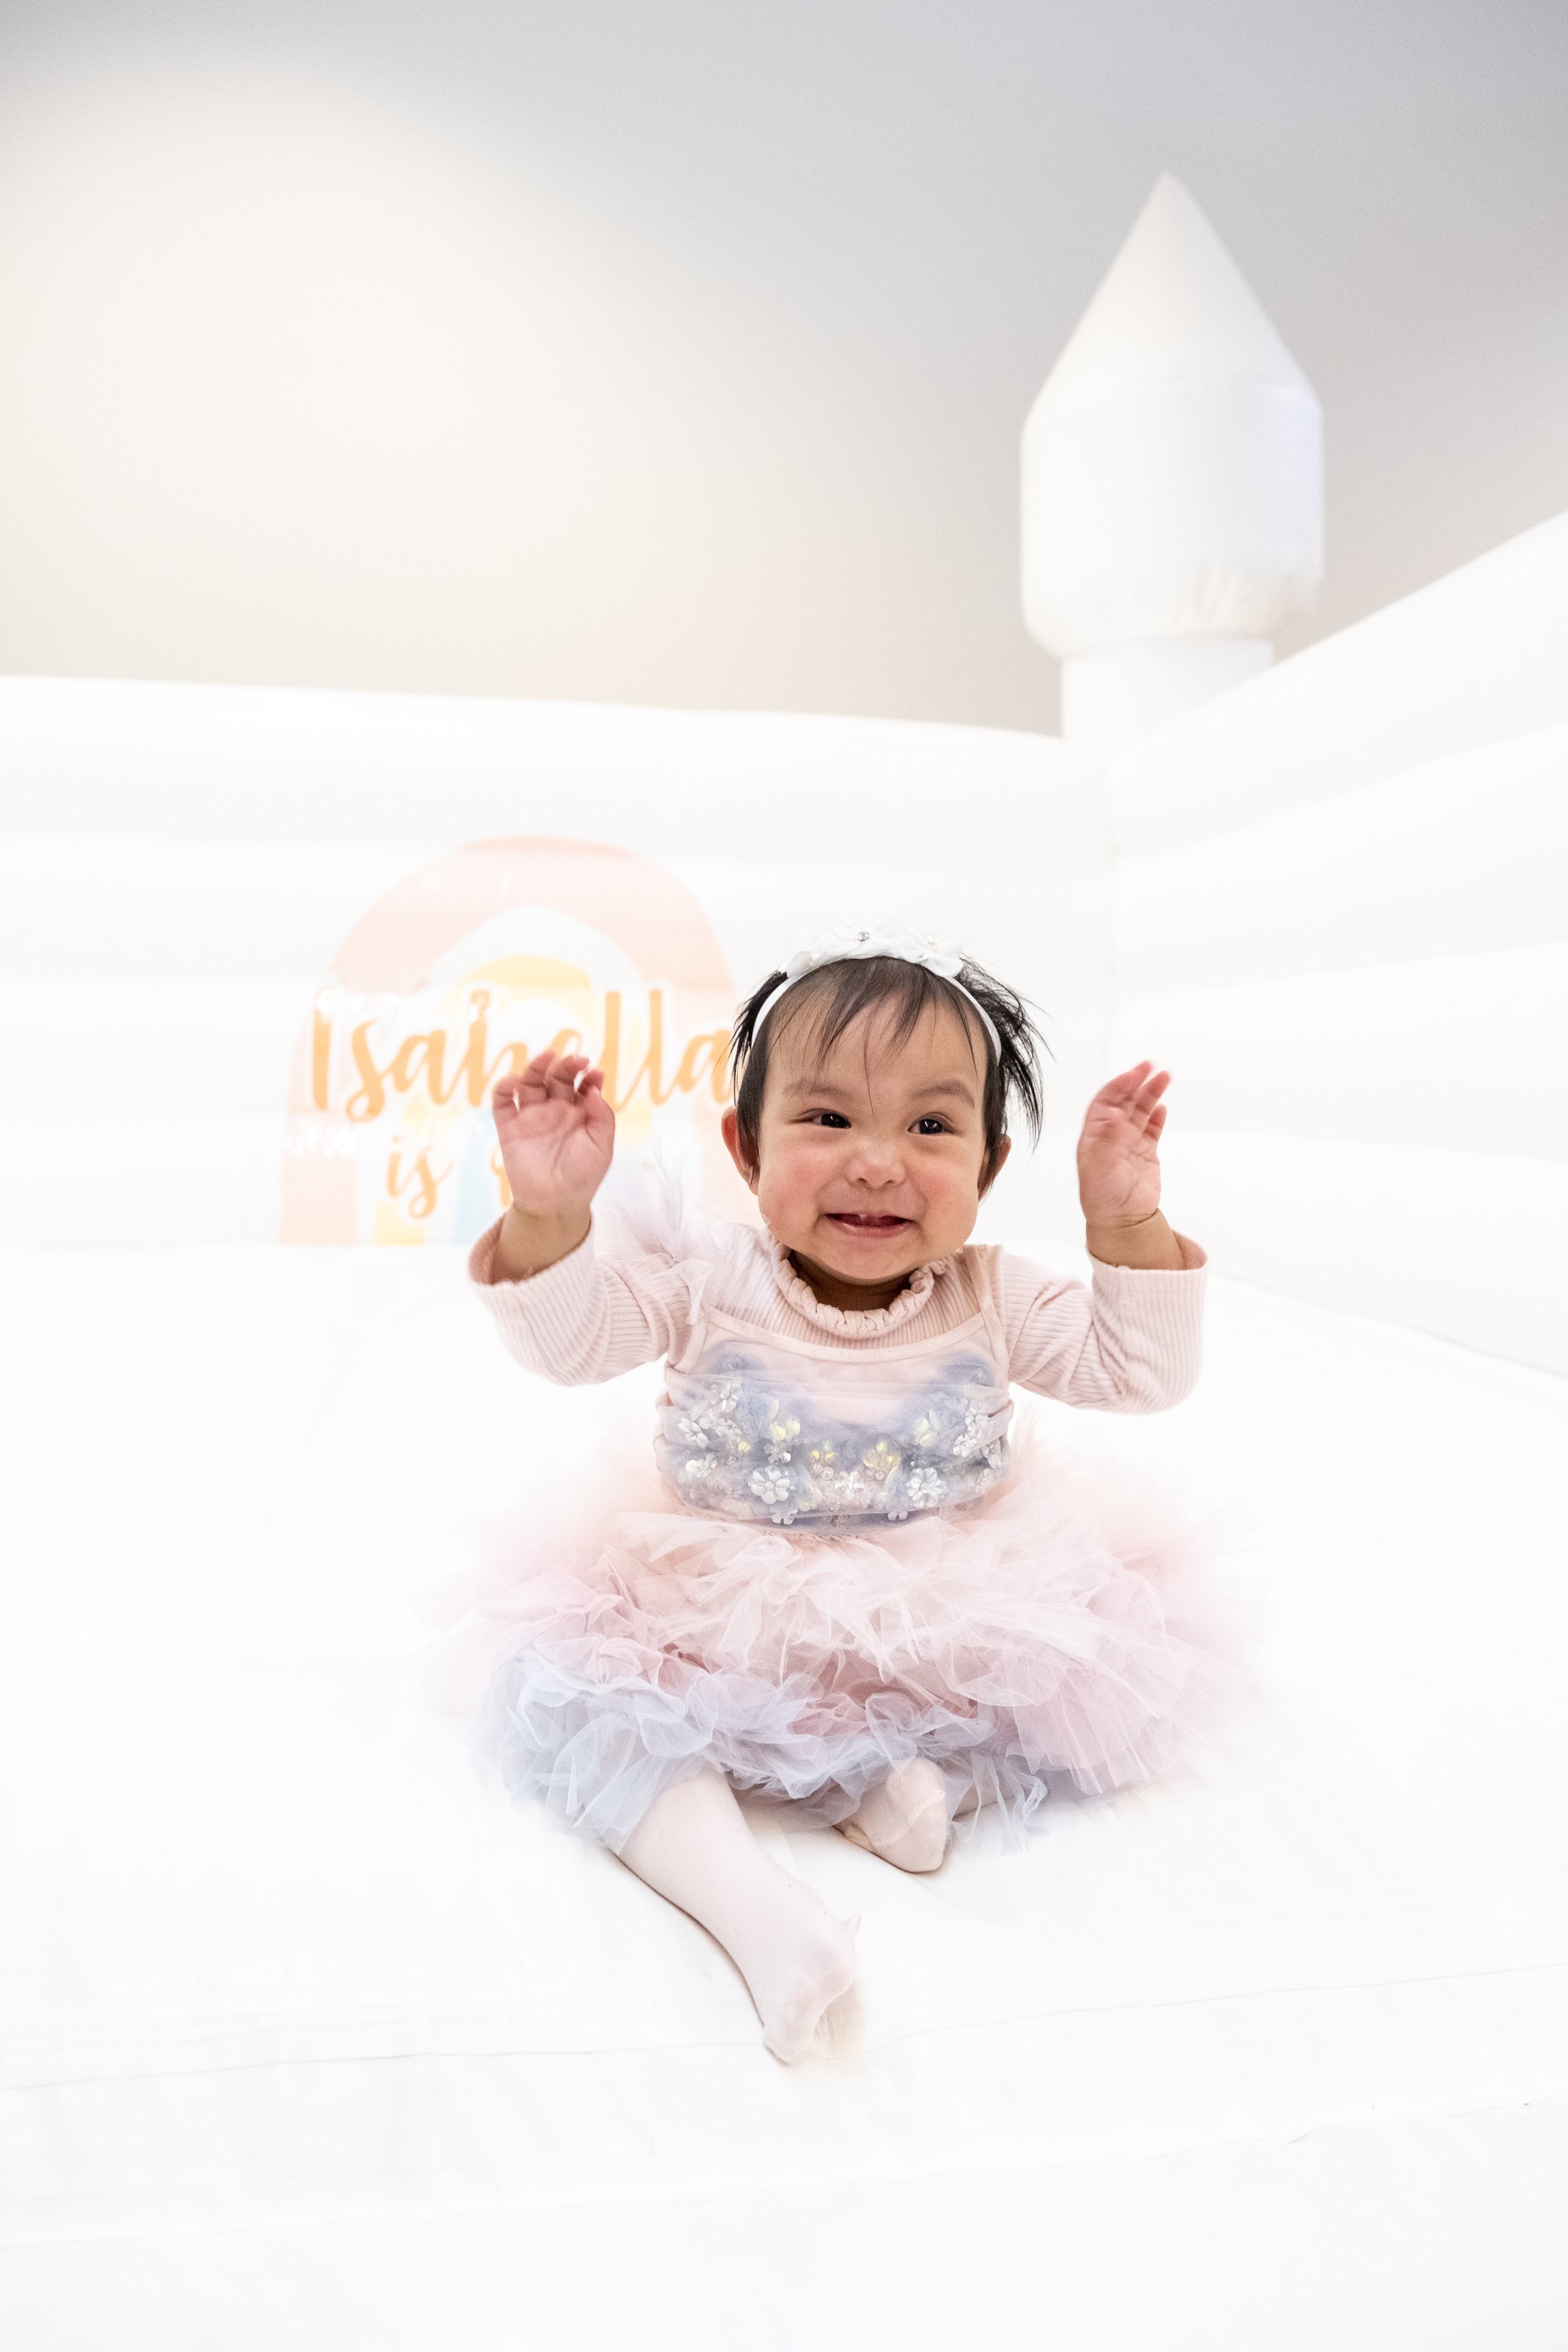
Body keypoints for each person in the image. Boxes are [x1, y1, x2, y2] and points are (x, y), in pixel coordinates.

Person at [464, 925, 1228, 2062]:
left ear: (989, 1166)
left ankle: (905, 1788)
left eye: (930, 1125)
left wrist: (1125, 1227)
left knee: (1080, 1659)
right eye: (827, 1119)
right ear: (744, 1145)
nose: (878, 1160)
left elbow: (1142, 1373)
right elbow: (570, 1344)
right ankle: (757, 1912)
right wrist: (547, 1219)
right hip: (717, 1601)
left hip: (939, 1603)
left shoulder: (992, 1295)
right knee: (580, 1690)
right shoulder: (709, 1279)